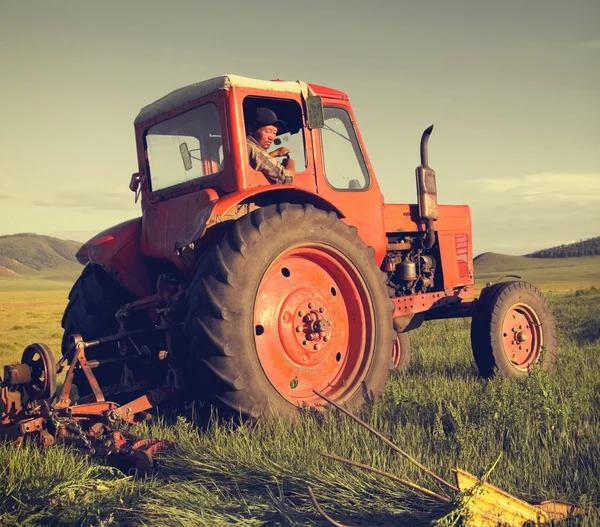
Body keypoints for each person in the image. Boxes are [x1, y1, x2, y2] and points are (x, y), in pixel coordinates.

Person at [247, 107, 295, 184]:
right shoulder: (254, 150)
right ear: (251, 130)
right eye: (268, 131)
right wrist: (290, 163)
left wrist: (273, 154)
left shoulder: (246, 145)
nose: (272, 137)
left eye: (274, 133)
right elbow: (286, 178)